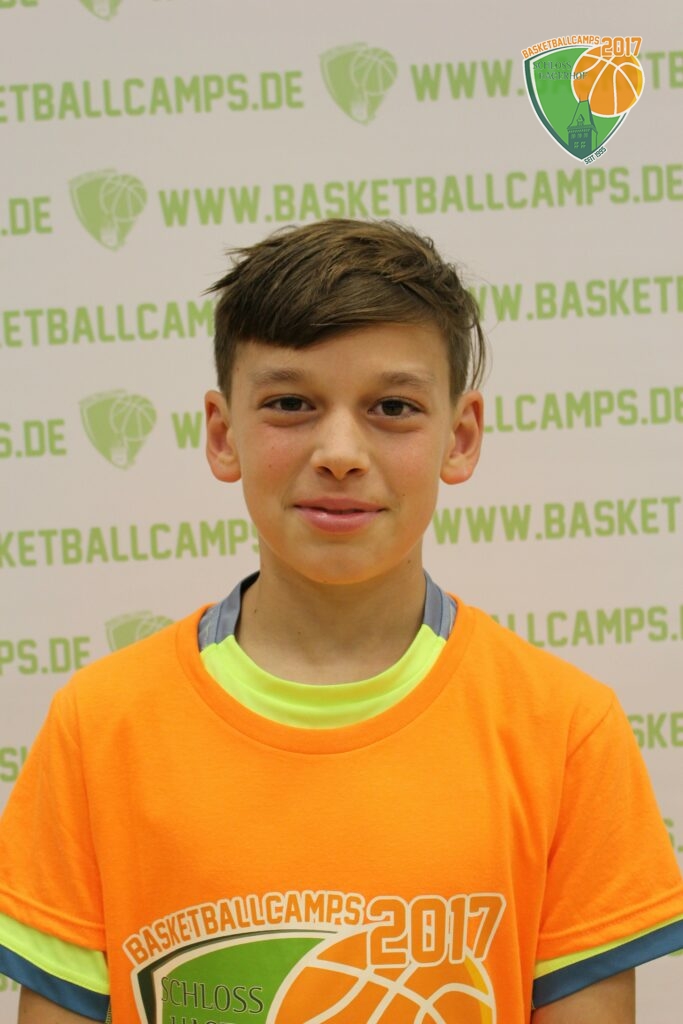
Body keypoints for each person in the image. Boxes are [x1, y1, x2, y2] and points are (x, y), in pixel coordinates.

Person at [0, 219, 681, 1024]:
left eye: (392, 406)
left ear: (459, 438)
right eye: (290, 404)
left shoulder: (564, 731)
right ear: (221, 435)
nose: (339, 451)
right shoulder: (98, 727)